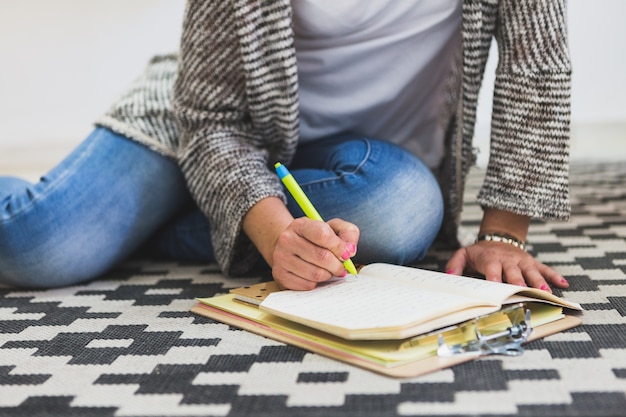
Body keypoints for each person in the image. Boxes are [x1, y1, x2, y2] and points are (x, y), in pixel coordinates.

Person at [0, 0, 572, 293]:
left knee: (401, 215)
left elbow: (537, 65)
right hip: (203, 126)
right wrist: (275, 234)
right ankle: (215, 210)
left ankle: (173, 218)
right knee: (37, 245)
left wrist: (503, 234)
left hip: (369, 167)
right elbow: (208, 114)